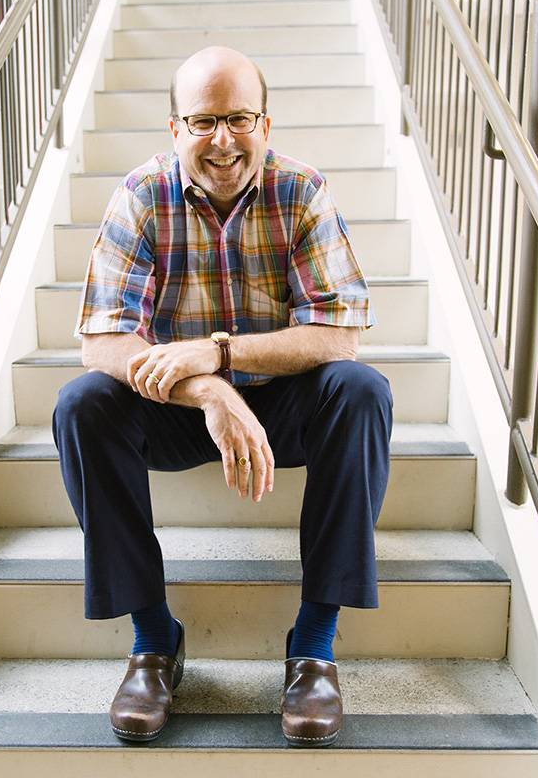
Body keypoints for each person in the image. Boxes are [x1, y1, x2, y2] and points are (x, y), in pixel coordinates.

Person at [52, 46, 393, 747]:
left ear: (264, 124)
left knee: (362, 392)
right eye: (204, 121)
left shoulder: (301, 190)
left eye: (239, 118)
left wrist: (223, 352)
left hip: (284, 405)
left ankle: (314, 648)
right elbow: (103, 341)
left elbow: (340, 335)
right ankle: (154, 643)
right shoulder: (143, 194)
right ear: (174, 129)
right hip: (182, 410)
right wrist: (208, 388)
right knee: (82, 404)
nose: (224, 140)